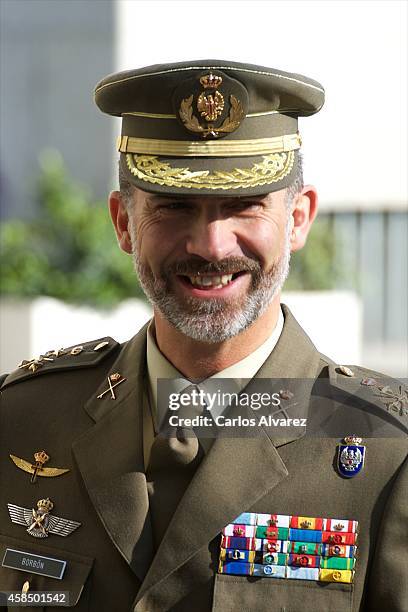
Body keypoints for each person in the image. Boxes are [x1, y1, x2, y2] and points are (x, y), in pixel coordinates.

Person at [0, 60, 406, 612]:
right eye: (174, 207)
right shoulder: (21, 422)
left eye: (243, 205)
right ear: (122, 222)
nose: (211, 247)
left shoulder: (387, 455)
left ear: (298, 219)